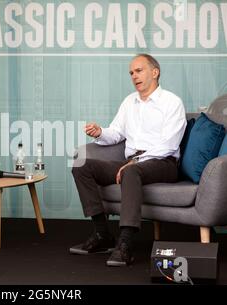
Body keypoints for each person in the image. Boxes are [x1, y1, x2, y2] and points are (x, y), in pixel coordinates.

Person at [70, 54, 187, 266]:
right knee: (82, 165)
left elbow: (169, 144)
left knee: (130, 171)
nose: (134, 76)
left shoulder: (172, 102)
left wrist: (136, 162)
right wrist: (100, 132)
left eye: (139, 70)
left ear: (154, 72)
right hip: (131, 162)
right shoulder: (129, 102)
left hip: (163, 162)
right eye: (131, 73)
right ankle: (102, 234)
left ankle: (125, 243)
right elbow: (116, 133)